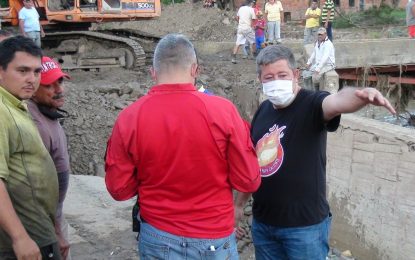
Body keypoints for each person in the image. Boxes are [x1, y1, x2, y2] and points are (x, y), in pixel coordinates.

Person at [105, 33, 261, 259]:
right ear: (195, 70)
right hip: (214, 236)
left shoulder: (130, 117)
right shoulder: (223, 111)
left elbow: (119, 189)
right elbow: (248, 179)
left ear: (153, 73)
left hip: (158, 234)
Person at [234, 44, 395, 260]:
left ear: (295, 75)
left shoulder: (311, 104)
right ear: (260, 80)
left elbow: (336, 102)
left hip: (304, 228)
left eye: (282, 75)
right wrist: (238, 206)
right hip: (264, 225)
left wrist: (361, 95)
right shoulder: (263, 110)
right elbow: (254, 163)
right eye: (268, 77)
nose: (275, 82)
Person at [0, 36, 60, 259]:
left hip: (37, 229)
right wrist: (20, 238)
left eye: (36, 72)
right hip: (22, 239)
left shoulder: (15, 104)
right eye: (22, 71)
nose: (32, 79)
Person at [27, 56, 71, 260]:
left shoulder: (48, 113)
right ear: (33, 89)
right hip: (46, 222)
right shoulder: (37, 126)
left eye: (60, 82)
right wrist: (57, 233)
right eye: (49, 85)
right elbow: (38, 189)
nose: (59, 89)